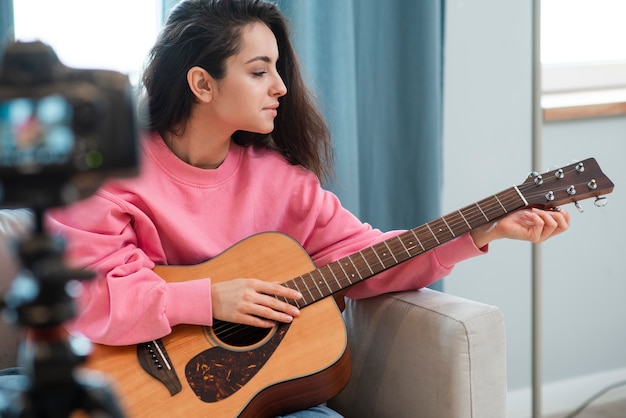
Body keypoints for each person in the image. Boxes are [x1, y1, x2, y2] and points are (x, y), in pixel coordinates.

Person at [39, 0, 571, 416]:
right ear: (201, 83)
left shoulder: (282, 182)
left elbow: (367, 255)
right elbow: (90, 296)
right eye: (259, 71)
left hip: (259, 397)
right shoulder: (107, 177)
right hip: (127, 384)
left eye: (278, 69)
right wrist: (209, 300)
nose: (281, 87)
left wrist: (483, 232)